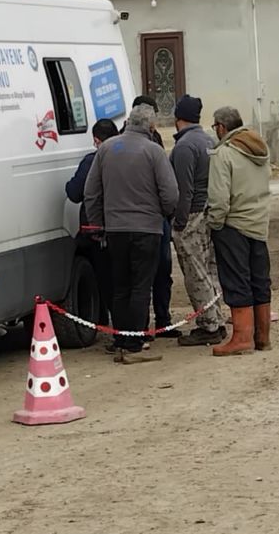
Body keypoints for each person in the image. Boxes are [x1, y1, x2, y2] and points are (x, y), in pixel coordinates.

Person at [85, 104, 179, 363]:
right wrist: (164, 215)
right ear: (150, 126)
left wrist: (97, 223)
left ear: (128, 122)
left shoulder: (105, 149)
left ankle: (120, 339)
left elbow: (91, 191)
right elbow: (170, 194)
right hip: (147, 228)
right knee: (141, 285)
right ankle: (135, 344)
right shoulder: (154, 151)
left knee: (120, 285)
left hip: (115, 229)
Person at [205, 107, 273, 356]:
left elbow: (220, 197)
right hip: (258, 224)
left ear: (221, 127)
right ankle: (262, 337)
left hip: (233, 226)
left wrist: (214, 222)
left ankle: (242, 338)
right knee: (259, 280)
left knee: (236, 280)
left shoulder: (224, 154)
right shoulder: (260, 148)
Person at [167, 95, 231, 346]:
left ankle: (209, 326)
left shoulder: (184, 147)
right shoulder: (208, 140)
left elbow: (184, 190)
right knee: (209, 269)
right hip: (208, 212)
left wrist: (179, 222)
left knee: (195, 272)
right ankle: (216, 319)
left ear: (177, 118)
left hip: (192, 215)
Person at [124, 95, 177, 339]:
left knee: (160, 271)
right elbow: (167, 188)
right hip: (150, 217)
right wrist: (167, 212)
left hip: (147, 218)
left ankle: (162, 319)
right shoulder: (129, 142)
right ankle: (141, 326)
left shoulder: (152, 140)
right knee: (143, 275)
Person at [65, 118, 120, 326]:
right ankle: (135, 330)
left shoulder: (92, 161)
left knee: (106, 279)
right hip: (133, 227)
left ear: (96, 140)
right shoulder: (138, 154)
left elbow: (75, 192)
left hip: (100, 232)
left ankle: (112, 327)